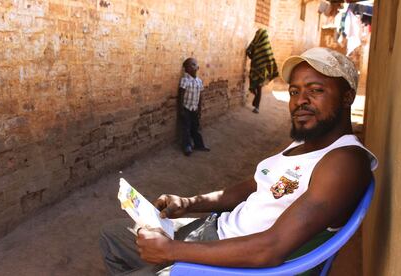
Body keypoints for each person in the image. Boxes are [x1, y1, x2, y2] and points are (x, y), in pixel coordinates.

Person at [99, 47, 378, 275]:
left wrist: (170, 251)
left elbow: (270, 249)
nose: (299, 101)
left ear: (347, 97)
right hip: (216, 232)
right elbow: (253, 187)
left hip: (233, 265)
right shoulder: (307, 143)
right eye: (294, 91)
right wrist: (187, 203)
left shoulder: (344, 162)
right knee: (113, 235)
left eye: (315, 90)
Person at [177, 58, 210, 156]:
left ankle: (198, 144)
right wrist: (181, 109)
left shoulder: (199, 81)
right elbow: (181, 95)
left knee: (195, 128)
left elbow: (200, 96)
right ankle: (187, 146)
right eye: (192, 65)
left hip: (194, 109)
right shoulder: (184, 80)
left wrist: (199, 109)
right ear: (187, 69)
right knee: (186, 128)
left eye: (195, 64)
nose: (194, 66)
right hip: (186, 108)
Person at [246, 28, 279, 114]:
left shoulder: (261, 45)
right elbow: (269, 59)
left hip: (258, 71)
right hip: (258, 70)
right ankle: (256, 103)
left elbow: (249, 52)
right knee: (256, 87)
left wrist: (254, 58)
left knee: (258, 87)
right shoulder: (260, 44)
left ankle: (257, 106)